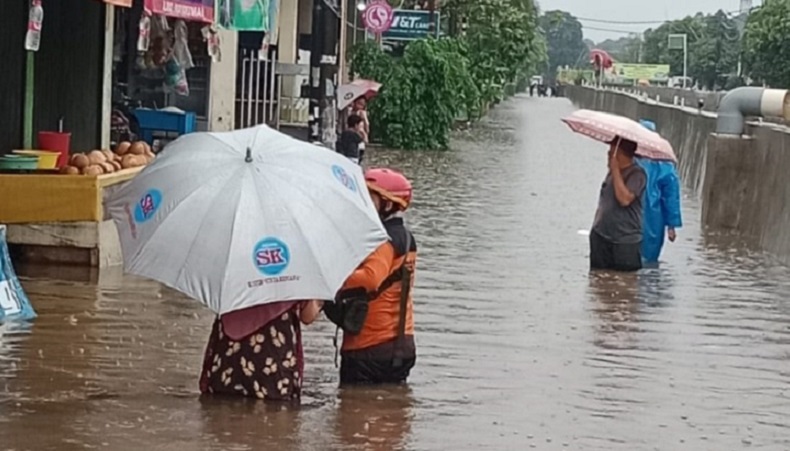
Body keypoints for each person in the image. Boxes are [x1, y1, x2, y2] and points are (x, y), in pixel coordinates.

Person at [326, 168, 418, 385]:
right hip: (401, 343)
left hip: (369, 347)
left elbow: (370, 278)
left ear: (388, 204)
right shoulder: (404, 238)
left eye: (370, 198)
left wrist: (330, 277)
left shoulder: (383, 240)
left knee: (351, 415)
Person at [199, 300, 323, 401]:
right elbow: (307, 316)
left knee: (222, 406)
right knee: (274, 414)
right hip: (274, 356)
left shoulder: (234, 271)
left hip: (229, 352)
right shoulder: (297, 273)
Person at [590, 136, 647, 272]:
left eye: (611, 151)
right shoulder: (611, 174)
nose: (608, 155)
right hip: (601, 237)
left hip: (625, 241)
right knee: (599, 281)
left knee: (624, 284)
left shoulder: (637, 174)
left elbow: (624, 199)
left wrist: (615, 170)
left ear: (620, 154)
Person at [635, 119, 683, 264]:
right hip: (654, 218)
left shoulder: (628, 159)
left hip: (630, 214)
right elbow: (671, 197)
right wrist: (671, 225)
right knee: (649, 259)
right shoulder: (664, 163)